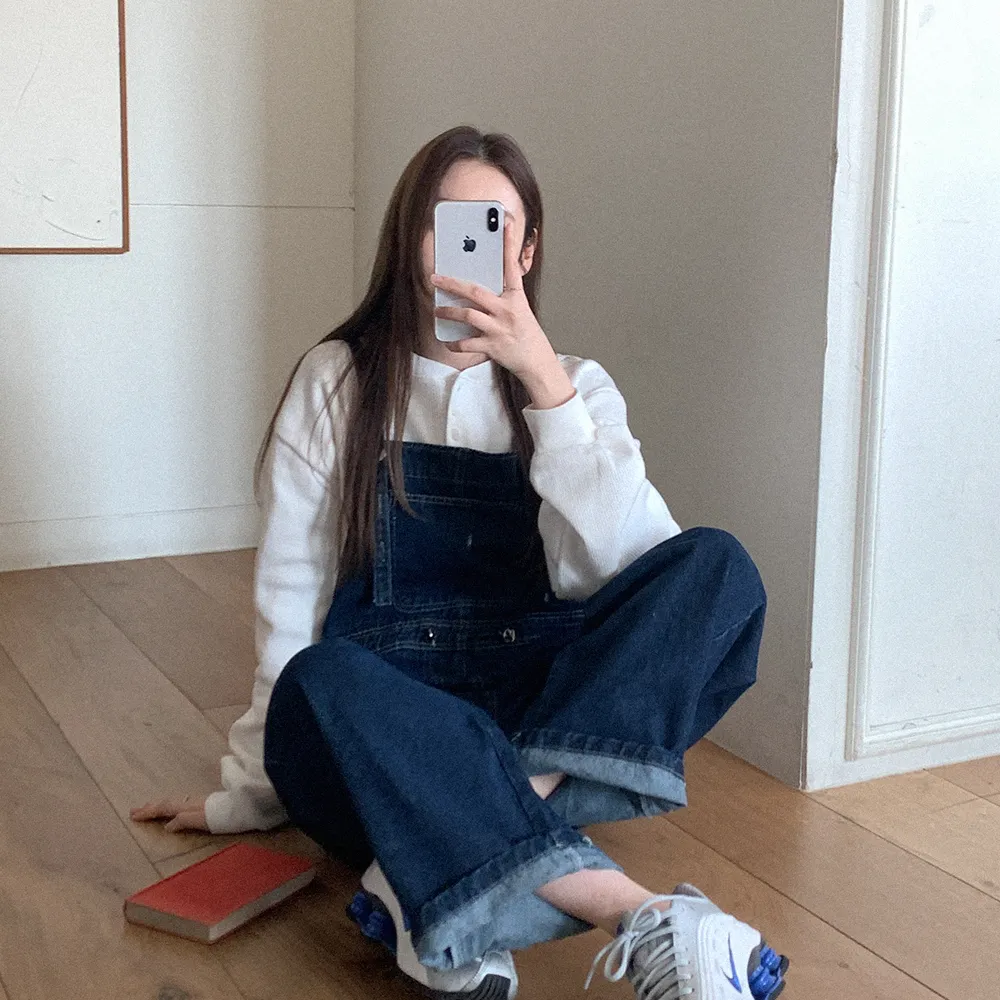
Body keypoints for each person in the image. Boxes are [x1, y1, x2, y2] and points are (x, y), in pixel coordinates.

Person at [131, 126, 788, 1000]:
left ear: (527, 250)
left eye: (495, 224)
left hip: (530, 712)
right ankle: (637, 913)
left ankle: (439, 860)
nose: (469, 246)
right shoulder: (337, 382)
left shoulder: (576, 386)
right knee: (321, 675)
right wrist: (245, 797)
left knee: (719, 571)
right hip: (385, 736)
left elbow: (632, 570)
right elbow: (289, 602)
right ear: (411, 240)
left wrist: (547, 392)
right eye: (447, 223)